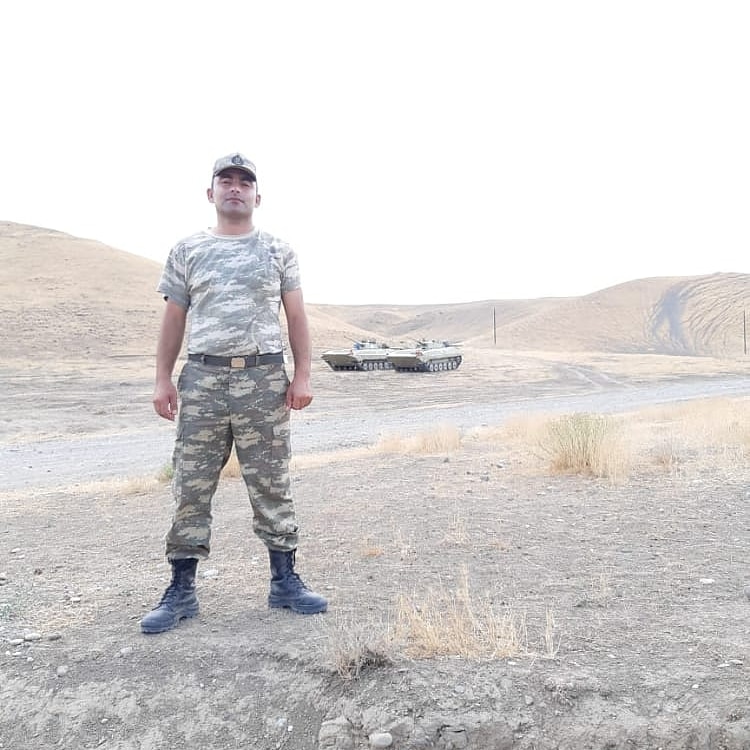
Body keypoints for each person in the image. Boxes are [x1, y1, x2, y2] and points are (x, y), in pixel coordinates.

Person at [141, 152, 327, 634]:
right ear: (211, 193)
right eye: (226, 180)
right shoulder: (188, 250)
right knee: (191, 484)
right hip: (203, 380)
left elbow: (296, 316)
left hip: (263, 381)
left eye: (245, 182)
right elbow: (174, 319)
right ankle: (181, 590)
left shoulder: (278, 250)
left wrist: (303, 375)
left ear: (257, 197)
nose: (236, 188)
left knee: (271, 483)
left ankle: (285, 582)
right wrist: (162, 378)